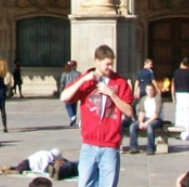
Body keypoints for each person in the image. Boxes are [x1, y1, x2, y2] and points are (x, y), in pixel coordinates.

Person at [60, 44, 134, 187]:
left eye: (111, 64)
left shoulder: (119, 82)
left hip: (110, 146)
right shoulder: (87, 80)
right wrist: (83, 79)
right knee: (85, 183)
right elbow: (64, 97)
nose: (109, 68)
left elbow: (129, 111)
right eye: (107, 64)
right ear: (97, 62)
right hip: (89, 145)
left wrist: (111, 94)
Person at [127, 83, 166, 154]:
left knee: (149, 126)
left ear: (154, 90)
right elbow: (142, 112)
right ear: (145, 90)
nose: (150, 92)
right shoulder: (144, 99)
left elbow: (156, 114)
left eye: (151, 90)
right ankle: (133, 147)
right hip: (145, 118)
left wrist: (146, 123)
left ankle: (150, 148)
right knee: (133, 126)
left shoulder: (158, 98)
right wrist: (140, 122)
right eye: (148, 90)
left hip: (156, 119)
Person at [171, 57, 189, 141]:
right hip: (187, 94)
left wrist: (173, 95)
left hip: (178, 93)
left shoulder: (176, 72)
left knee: (179, 113)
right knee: (187, 114)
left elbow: (173, 83)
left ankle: (177, 132)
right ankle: (186, 134)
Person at [60, 61, 81, 127]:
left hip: (68, 90)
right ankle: (73, 119)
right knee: (74, 105)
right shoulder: (78, 73)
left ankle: (72, 117)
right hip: (76, 90)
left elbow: (62, 83)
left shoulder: (65, 73)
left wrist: (61, 91)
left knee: (68, 105)